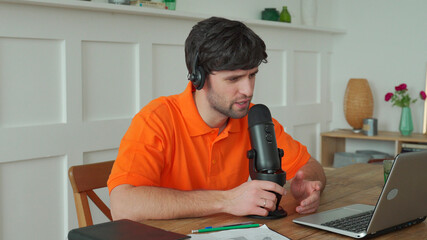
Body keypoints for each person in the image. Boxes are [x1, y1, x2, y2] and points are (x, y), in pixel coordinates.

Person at [108, 16, 326, 221]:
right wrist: (226, 201)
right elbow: (123, 205)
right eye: (233, 79)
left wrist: (306, 183)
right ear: (199, 77)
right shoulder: (156, 119)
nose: (247, 90)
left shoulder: (253, 117)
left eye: (252, 75)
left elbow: (310, 165)